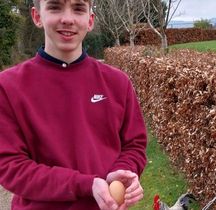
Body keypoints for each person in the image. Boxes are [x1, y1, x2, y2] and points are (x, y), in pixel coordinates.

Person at [0, 0, 147, 209]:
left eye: (78, 8)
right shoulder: (8, 87)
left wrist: (123, 172)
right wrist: (86, 185)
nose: (67, 19)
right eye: (55, 7)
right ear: (37, 16)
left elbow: (134, 145)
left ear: (90, 20)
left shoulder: (117, 83)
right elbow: (10, 167)